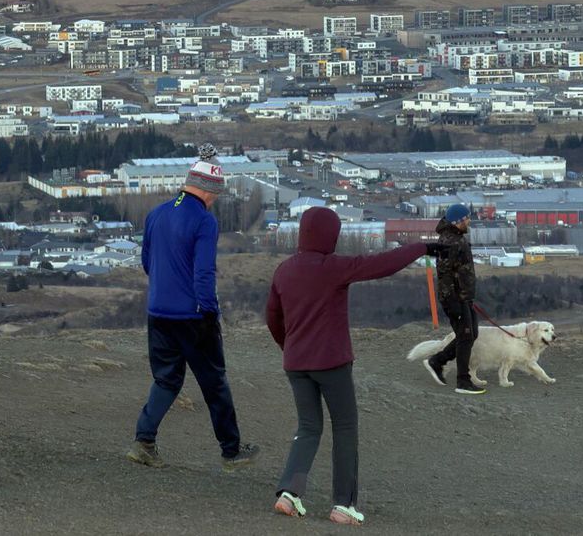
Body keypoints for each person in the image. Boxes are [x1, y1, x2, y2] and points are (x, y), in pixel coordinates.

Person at [264, 206, 431, 525]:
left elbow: (273, 316)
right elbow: (381, 265)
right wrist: (422, 247)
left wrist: (289, 347)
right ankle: (343, 505)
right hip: (332, 362)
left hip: (296, 364)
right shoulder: (333, 267)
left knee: (308, 427)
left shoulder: (284, 270)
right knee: (344, 427)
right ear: (332, 235)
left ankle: (290, 494)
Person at [127, 145, 259, 472]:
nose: (215, 200)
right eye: (216, 193)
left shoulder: (157, 213)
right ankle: (231, 452)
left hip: (158, 313)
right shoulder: (204, 221)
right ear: (208, 189)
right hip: (193, 316)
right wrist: (210, 312)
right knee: (215, 383)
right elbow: (204, 273)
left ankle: (144, 442)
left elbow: (147, 262)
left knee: (166, 381)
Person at [422, 203, 485, 396]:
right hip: (456, 299)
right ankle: (463, 381)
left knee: (471, 334)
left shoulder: (456, 238)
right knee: (466, 336)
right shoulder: (450, 242)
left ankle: (438, 361)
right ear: (457, 222)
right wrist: (453, 303)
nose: (469, 221)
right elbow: (444, 275)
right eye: (466, 219)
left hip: (464, 297)